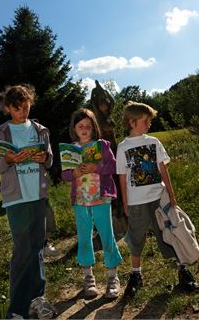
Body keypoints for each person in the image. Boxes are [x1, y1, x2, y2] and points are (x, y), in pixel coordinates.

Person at [116, 101, 199, 297]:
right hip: (136, 202)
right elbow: (121, 177)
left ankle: (183, 270)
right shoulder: (123, 147)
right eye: (146, 120)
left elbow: (163, 168)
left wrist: (171, 193)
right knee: (136, 238)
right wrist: (125, 203)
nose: (150, 124)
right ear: (132, 121)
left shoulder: (154, 142)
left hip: (159, 198)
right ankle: (136, 275)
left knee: (172, 232)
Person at [0, 84, 57, 319]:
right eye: (17, 109)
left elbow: (49, 160)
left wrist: (43, 157)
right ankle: (17, 309)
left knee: (37, 248)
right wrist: (7, 159)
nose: (22, 113)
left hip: (38, 196)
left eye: (26, 107)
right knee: (22, 250)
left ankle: (38, 299)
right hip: (16, 200)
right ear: (8, 108)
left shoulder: (40, 130)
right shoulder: (1, 133)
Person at [61, 108, 122, 299]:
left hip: (101, 198)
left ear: (93, 127)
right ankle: (88, 277)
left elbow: (113, 166)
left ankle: (113, 277)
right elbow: (64, 175)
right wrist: (75, 174)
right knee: (84, 237)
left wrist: (97, 167)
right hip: (80, 201)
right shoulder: (70, 150)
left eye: (88, 126)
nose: (84, 129)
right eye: (81, 126)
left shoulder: (102, 145)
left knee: (107, 235)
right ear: (75, 128)